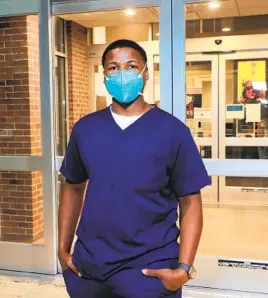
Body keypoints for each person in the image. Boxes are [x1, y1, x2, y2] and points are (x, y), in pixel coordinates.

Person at [58, 39, 210, 298]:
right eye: (113, 67)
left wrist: (184, 269)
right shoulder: (86, 129)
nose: (122, 74)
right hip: (90, 265)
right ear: (104, 75)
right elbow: (72, 187)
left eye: (131, 66)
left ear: (145, 73)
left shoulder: (173, 132)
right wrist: (62, 249)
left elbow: (190, 202)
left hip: (149, 267)